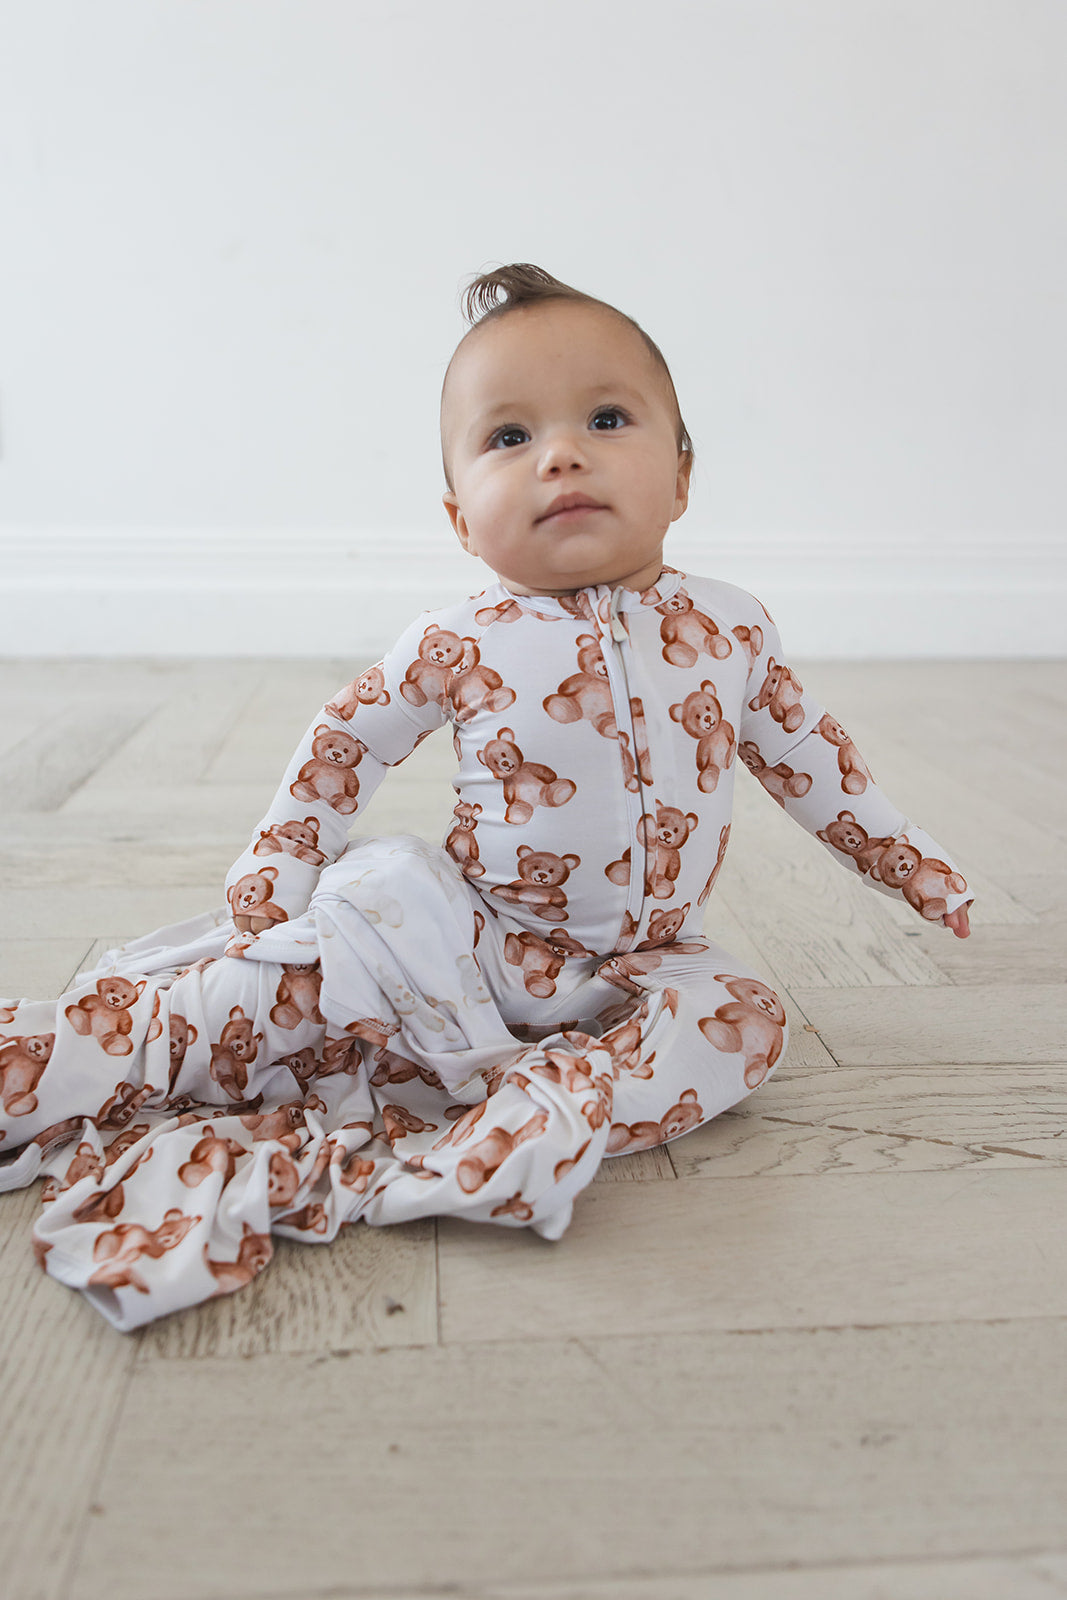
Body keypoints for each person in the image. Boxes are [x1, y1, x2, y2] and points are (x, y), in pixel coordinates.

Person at [0, 264, 972, 1331]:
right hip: (465, 933)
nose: (560, 453)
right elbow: (346, 740)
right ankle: (72, 1060)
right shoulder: (458, 638)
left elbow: (809, 756)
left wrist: (905, 860)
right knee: (278, 989)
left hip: (641, 966)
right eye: (509, 436)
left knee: (746, 1022)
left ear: (683, 477)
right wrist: (282, 854)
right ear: (462, 519)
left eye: (606, 419)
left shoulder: (732, 629)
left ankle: (524, 1115)